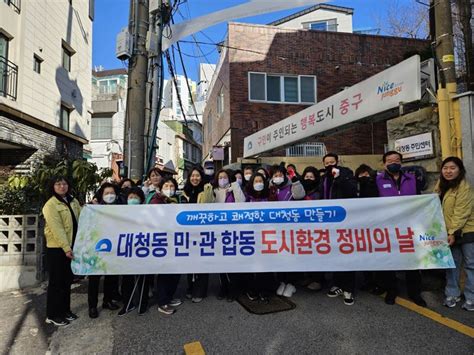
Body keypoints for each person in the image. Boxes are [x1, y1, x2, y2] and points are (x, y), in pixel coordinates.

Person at [375, 151, 426, 307]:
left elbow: (420, 199)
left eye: (397, 160)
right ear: (384, 164)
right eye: (389, 160)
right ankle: (391, 290)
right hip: (387, 227)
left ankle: (414, 293)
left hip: (409, 226)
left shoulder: (412, 178)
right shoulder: (377, 180)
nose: (393, 163)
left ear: (401, 163)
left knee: (412, 260)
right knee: (390, 260)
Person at [435, 157, 474, 311]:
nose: (448, 171)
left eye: (452, 168)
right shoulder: (441, 185)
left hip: (466, 231)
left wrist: (452, 232)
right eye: (445, 168)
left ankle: (471, 297)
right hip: (448, 232)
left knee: (471, 265)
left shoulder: (464, 187)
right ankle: (452, 293)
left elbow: (461, 213)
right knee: (452, 265)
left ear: (459, 170)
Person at [43, 176, 81, 326]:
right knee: (56, 283)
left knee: (66, 282)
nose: (62, 186)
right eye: (58, 184)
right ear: (52, 187)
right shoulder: (50, 205)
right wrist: (66, 248)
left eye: (64, 183)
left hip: (70, 247)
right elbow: (57, 229)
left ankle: (65, 310)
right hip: (57, 249)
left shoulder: (73, 201)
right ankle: (52, 314)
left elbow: (80, 218)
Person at [320, 153, 358, 306]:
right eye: (327, 163)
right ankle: (337, 284)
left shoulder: (346, 173)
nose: (330, 165)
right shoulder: (324, 178)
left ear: (337, 162)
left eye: (332, 162)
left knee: (346, 252)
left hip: (344, 220)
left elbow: (352, 191)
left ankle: (348, 288)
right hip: (328, 221)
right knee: (334, 252)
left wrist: (340, 178)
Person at [208, 169, 246, 302]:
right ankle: (223, 287)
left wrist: (235, 187)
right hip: (218, 231)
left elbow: (242, 202)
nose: (222, 179)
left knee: (233, 262)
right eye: (220, 177)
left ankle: (233, 290)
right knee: (221, 263)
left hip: (234, 231)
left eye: (225, 177)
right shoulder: (213, 191)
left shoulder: (234, 189)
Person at [150, 177, 186, 315]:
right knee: (165, 273)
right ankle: (162, 302)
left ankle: (169, 297)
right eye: (166, 185)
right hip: (163, 241)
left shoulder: (174, 201)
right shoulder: (156, 201)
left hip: (175, 241)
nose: (169, 189)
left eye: (172, 186)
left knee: (175, 271)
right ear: (160, 187)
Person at [269, 164, 306, 298]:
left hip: (292, 228)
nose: (278, 178)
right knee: (279, 255)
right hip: (276, 229)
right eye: (275, 175)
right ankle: (282, 281)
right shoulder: (271, 189)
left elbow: (300, 195)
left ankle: (291, 283)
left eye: (280, 175)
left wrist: (295, 179)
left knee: (291, 255)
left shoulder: (292, 186)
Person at [87, 183, 121, 318]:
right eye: (106, 193)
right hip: (97, 248)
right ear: (101, 195)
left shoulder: (120, 210)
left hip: (113, 247)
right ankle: (92, 306)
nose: (109, 195)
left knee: (111, 277)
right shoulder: (94, 209)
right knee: (94, 278)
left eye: (112, 193)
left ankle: (107, 300)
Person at [244, 173, 275, 301]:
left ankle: (265, 289)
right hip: (251, 235)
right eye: (255, 181)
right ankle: (252, 289)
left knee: (266, 264)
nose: (258, 183)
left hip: (267, 235)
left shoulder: (270, 196)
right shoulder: (247, 197)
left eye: (260, 180)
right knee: (252, 264)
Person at [354, 164, 383, 295]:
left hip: (376, 225)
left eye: (367, 174)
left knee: (377, 255)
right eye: (361, 175)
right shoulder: (355, 186)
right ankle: (367, 281)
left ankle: (379, 283)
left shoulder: (375, 185)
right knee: (364, 254)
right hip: (360, 226)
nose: (364, 177)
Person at [118, 187, 148, 316]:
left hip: (143, 248)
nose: (133, 200)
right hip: (127, 249)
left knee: (144, 277)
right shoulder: (121, 213)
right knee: (127, 278)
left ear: (141, 200)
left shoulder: (148, 212)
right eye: (130, 197)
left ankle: (143, 303)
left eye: (136, 197)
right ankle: (127, 304)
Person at [182, 167, 209, 303]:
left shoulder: (206, 191)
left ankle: (200, 291)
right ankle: (190, 287)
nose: (195, 178)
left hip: (202, 233)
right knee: (189, 261)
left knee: (202, 262)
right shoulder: (184, 192)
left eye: (197, 175)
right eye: (192, 176)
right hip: (188, 233)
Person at [300, 166, 323, 291]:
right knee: (306, 253)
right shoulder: (301, 190)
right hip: (303, 228)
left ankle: (318, 279)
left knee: (317, 254)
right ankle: (309, 276)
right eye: (306, 177)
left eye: (311, 177)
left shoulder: (319, 191)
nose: (308, 179)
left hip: (317, 228)